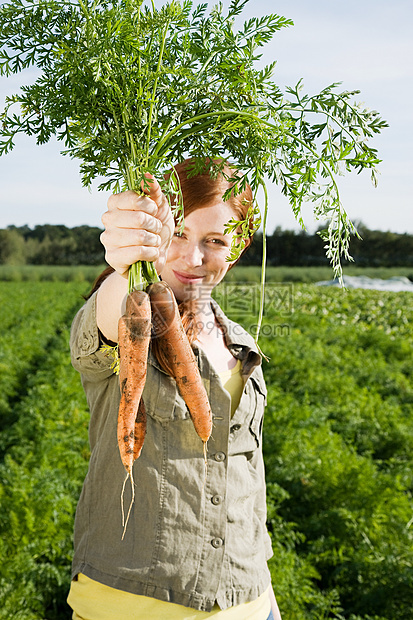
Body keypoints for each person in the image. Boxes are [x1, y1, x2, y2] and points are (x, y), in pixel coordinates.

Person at [67, 159, 282, 620]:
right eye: (178, 233)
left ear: (237, 249)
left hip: (249, 601)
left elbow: (246, 479)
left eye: (216, 241)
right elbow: (108, 318)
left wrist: (264, 601)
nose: (194, 257)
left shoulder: (241, 341)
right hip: (131, 607)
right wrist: (125, 259)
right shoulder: (123, 311)